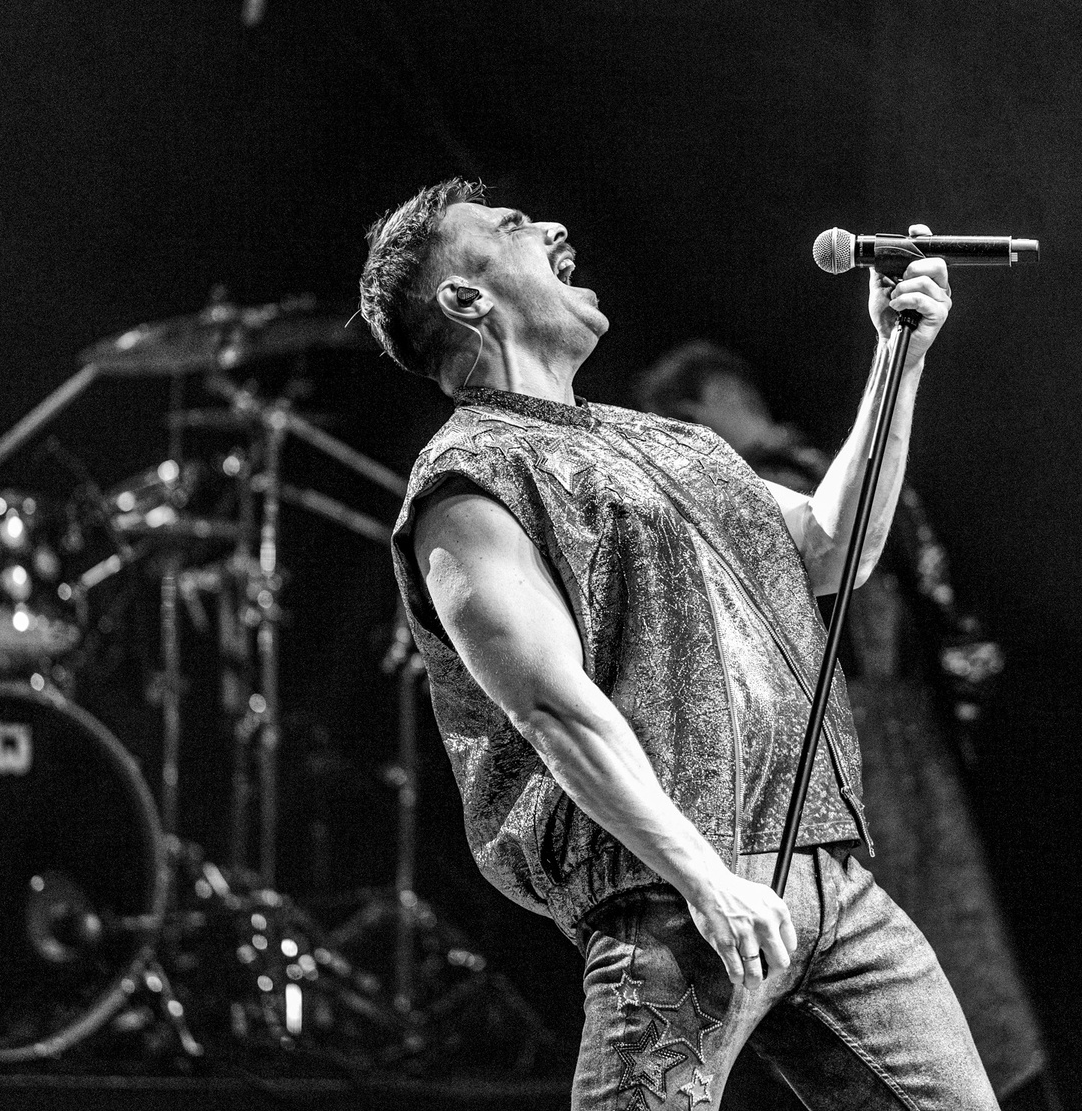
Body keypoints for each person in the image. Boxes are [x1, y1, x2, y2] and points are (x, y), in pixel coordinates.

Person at [361, 178, 996, 1109]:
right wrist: (704, 879)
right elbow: (550, 706)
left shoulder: (676, 447)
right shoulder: (469, 480)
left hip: (827, 875)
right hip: (672, 901)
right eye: (513, 226)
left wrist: (899, 355)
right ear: (465, 297)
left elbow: (836, 548)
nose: (554, 225)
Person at [635, 341, 1054, 1108]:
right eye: (713, 397)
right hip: (828, 737)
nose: (739, 403)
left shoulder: (812, 466)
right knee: (875, 936)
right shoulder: (731, 489)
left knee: (956, 935)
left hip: (900, 727)